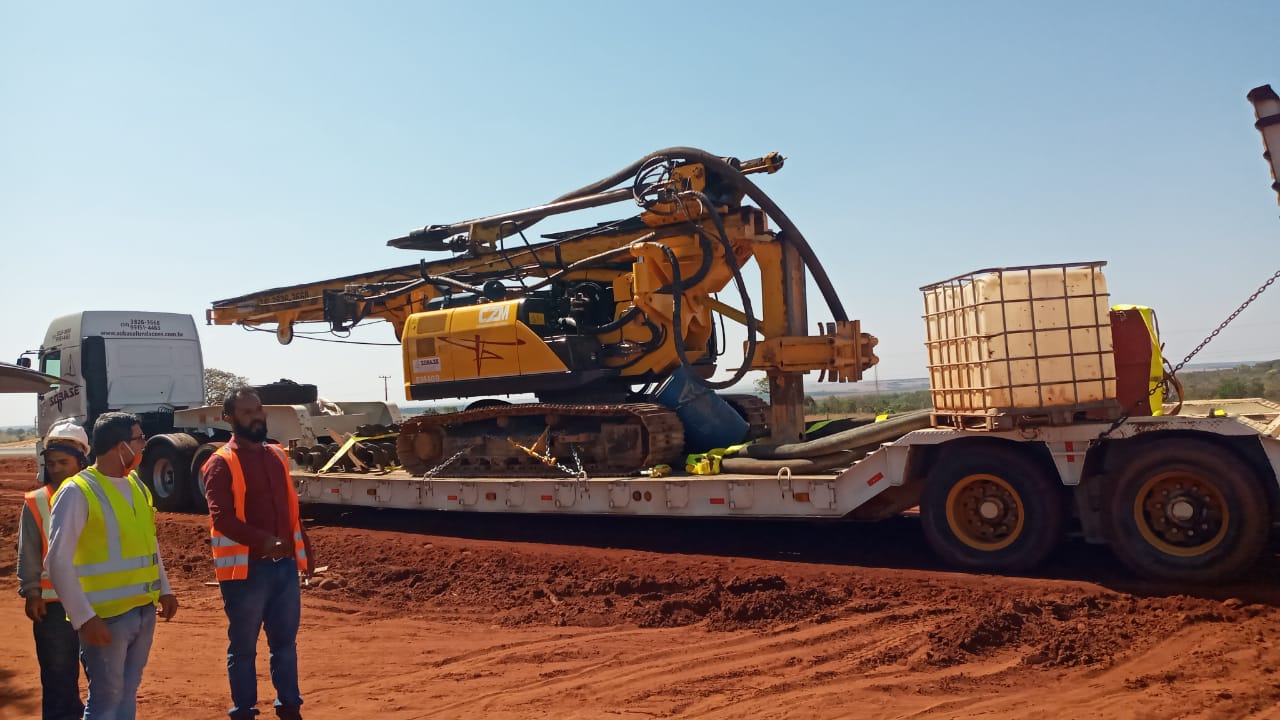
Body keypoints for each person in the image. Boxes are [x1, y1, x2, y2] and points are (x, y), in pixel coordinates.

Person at [45, 412, 179, 720]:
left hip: (143, 610)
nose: (143, 445)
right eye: (139, 439)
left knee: (127, 693)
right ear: (121, 447)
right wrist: (84, 619)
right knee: (106, 699)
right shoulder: (77, 491)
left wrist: (165, 589)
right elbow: (57, 561)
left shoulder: (137, 486)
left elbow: (149, 543)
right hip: (106, 618)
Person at [204, 387, 313, 720]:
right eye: (248, 412)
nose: (257, 416)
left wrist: (305, 550)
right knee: (243, 648)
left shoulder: (277, 455)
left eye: (259, 410)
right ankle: (244, 711)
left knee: (285, 644)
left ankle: (290, 707)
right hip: (245, 572)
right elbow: (222, 518)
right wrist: (263, 542)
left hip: (284, 568)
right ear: (229, 418)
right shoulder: (220, 463)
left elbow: (291, 510)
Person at [16, 419, 90, 720]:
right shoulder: (37, 501)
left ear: (81, 462)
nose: (56, 468)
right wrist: (31, 592)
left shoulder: (97, 495)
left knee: (103, 674)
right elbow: (29, 551)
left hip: (95, 599)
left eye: (63, 462)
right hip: (54, 605)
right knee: (58, 674)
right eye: (51, 463)